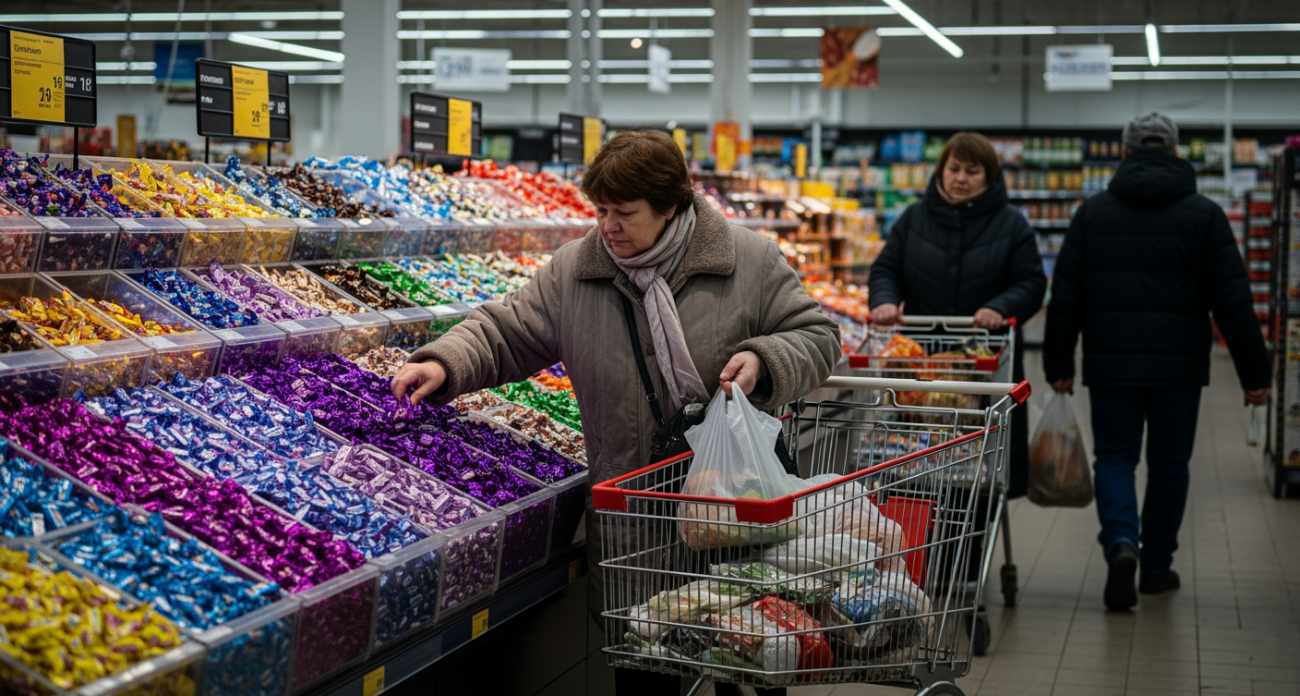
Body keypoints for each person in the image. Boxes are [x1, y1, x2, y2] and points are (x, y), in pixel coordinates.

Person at [391, 129, 841, 695]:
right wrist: (447, 362)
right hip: (634, 522)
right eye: (600, 210)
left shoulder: (746, 260)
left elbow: (818, 335)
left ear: (672, 205)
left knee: (747, 663)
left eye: (623, 213)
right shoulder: (576, 271)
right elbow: (506, 329)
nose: (607, 226)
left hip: (733, 509)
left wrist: (762, 358)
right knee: (643, 670)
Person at [1043, 111, 1270, 611]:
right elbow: (1234, 300)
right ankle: (1157, 566)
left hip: (1111, 365)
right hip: (1179, 369)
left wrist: (1058, 363)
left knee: (1116, 458)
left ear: (1124, 153)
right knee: (1170, 464)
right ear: (1174, 152)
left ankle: (1122, 542)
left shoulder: (1093, 213)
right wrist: (1255, 375)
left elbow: (1065, 297)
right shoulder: (1205, 215)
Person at [868, 131, 1048, 501]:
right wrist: (885, 301)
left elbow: (1031, 283)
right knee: (916, 465)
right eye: (954, 168)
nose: (960, 178)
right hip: (920, 369)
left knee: (979, 474)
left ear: (990, 177)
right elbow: (886, 269)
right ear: (941, 170)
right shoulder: (914, 218)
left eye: (972, 171)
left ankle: (969, 546)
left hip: (983, 369)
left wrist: (1000, 307)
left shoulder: (1011, 226)